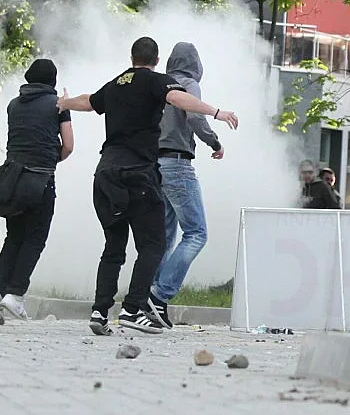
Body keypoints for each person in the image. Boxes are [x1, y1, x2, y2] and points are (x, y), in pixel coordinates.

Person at [57, 37, 238, 336]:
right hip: (138, 173)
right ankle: (133, 309)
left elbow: (88, 102)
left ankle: (100, 312)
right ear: (156, 60)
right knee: (154, 244)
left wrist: (64, 103)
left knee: (113, 248)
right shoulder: (157, 81)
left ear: (132, 57)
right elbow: (179, 100)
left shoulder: (117, 83)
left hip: (105, 174)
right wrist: (217, 113)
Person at [0, 58, 73, 323]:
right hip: (40, 180)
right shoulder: (58, 104)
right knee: (34, 239)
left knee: (13, 237)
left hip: (11, 179)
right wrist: (51, 159)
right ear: (53, 80)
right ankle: (15, 294)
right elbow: (68, 145)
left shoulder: (13, 105)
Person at [148, 42, 225, 330]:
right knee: (196, 233)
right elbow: (195, 117)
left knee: (165, 235)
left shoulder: (160, 84)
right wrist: (214, 142)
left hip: (154, 164)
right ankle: (159, 295)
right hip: (177, 164)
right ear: (196, 64)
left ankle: (149, 301)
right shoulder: (189, 85)